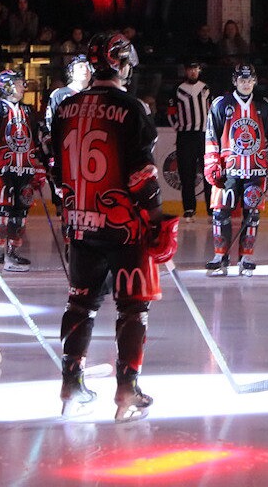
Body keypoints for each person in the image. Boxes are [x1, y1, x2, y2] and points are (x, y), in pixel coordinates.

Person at [50, 31, 175, 422]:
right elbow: (141, 175)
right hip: (124, 228)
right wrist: (155, 219)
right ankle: (126, 390)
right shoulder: (132, 108)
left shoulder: (66, 107)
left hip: (81, 224)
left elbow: (56, 170)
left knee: (80, 304)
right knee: (133, 308)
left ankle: (71, 384)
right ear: (120, 63)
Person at [202, 63, 268, 276]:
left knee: (252, 215)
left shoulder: (264, 106)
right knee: (220, 212)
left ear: (255, 81)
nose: (246, 84)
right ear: (235, 81)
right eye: (242, 80)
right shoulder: (221, 105)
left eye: (249, 80)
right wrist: (212, 163)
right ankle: (220, 255)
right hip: (227, 171)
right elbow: (211, 136)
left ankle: (246, 256)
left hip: (256, 170)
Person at [0, 70, 45, 272]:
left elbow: (35, 141)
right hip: (2, 171)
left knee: (20, 214)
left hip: (25, 170)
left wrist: (38, 167)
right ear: (7, 86)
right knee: (2, 213)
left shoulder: (27, 110)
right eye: (19, 83)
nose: (24, 86)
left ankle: (13, 252)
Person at [168, 61, 212, 219]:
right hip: (185, 136)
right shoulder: (178, 89)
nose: (193, 72)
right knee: (186, 173)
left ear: (199, 70)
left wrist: (211, 131)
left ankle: (211, 208)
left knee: (209, 172)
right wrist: (180, 128)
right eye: (190, 69)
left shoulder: (206, 88)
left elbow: (212, 110)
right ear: (185, 71)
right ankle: (189, 208)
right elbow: (171, 112)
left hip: (204, 136)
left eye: (195, 69)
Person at [45, 54, 90, 133]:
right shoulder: (58, 95)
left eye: (88, 66)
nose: (85, 69)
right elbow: (50, 123)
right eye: (80, 67)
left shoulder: (96, 94)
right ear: (71, 72)